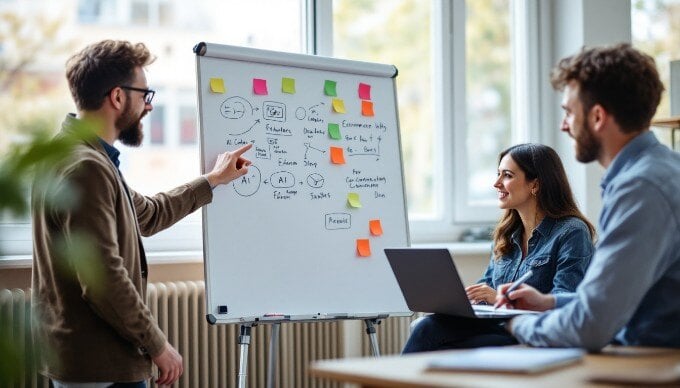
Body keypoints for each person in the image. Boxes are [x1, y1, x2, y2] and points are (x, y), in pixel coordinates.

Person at [31, 40, 252, 387]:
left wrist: (212, 181)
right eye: (144, 95)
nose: (149, 107)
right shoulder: (85, 167)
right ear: (118, 97)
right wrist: (157, 344)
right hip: (99, 363)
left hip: (93, 359)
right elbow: (103, 278)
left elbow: (147, 214)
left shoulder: (82, 157)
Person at [497, 43, 680, 350]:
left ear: (597, 117)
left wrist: (517, 324)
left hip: (650, 363)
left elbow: (590, 327)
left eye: (569, 111)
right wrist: (549, 302)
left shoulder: (640, 188)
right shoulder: (662, 169)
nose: (563, 125)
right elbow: (612, 299)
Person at [402, 143, 595, 353]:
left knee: (445, 343)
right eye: (498, 174)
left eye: (507, 175)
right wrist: (463, 299)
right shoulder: (506, 234)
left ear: (535, 185)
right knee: (426, 326)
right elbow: (487, 285)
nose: (496, 183)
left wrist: (499, 299)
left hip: (533, 331)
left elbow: (564, 302)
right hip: (497, 326)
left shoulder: (572, 232)